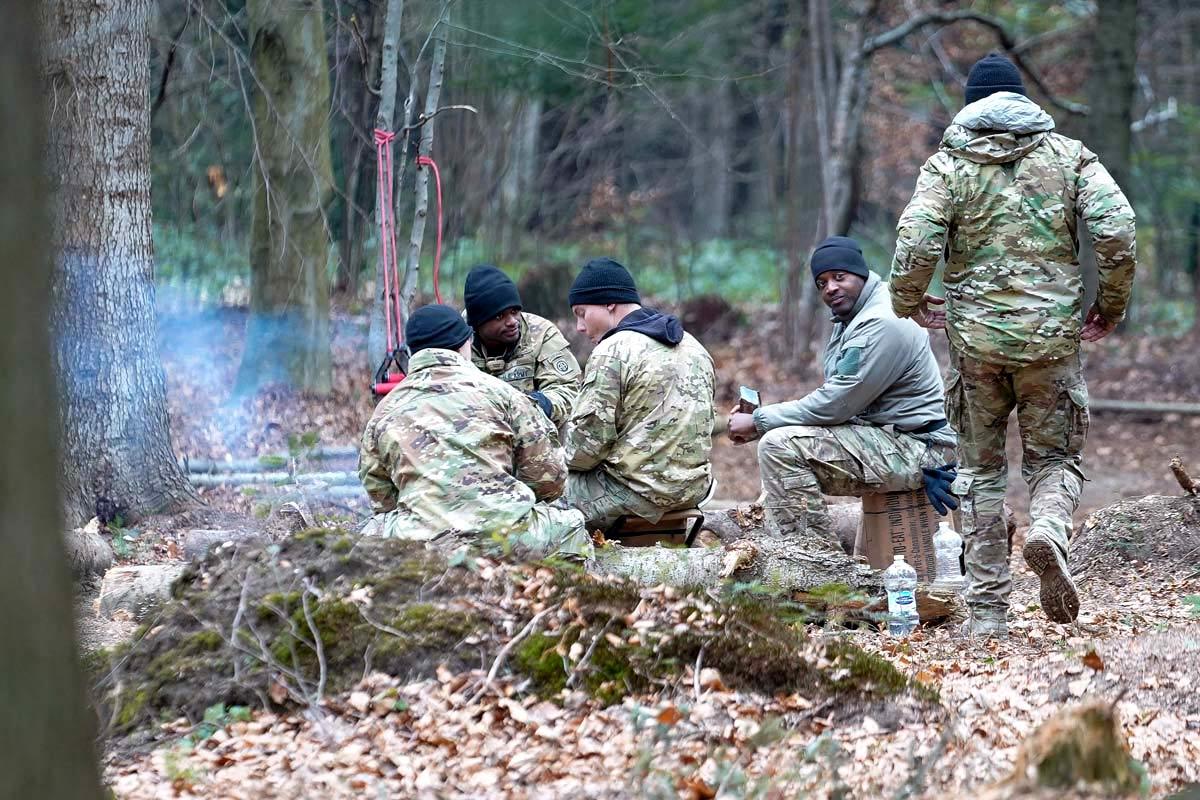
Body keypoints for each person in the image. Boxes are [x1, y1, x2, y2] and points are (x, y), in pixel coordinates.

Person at [890, 53, 1137, 635]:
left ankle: (988, 613)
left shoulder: (948, 166)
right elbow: (1118, 228)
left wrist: (908, 301)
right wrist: (1110, 305)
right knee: (1055, 459)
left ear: (972, 105)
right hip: (1051, 343)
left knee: (978, 470)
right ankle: (1049, 529)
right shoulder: (1070, 157)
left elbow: (917, 239)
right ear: (1023, 100)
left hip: (976, 346)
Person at [727, 236, 958, 551]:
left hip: (919, 449)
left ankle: (818, 566)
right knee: (786, 439)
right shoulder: (855, 316)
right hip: (893, 439)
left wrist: (760, 420)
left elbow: (835, 405)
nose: (830, 288)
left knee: (779, 448)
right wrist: (763, 419)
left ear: (860, 275)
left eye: (840, 277)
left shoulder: (881, 321)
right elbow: (839, 400)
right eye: (822, 283)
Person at [358, 304, 592, 560]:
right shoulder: (505, 395)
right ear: (464, 345)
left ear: (413, 352)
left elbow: (380, 496)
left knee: (369, 532)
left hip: (422, 545)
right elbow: (549, 480)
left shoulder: (386, 410)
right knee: (572, 526)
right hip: (506, 539)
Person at [563, 257, 716, 530]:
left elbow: (585, 450)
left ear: (609, 303)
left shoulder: (613, 351)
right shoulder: (694, 346)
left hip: (633, 496)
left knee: (539, 487)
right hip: (692, 491)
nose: (580, 327)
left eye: (581, 312)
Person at [463, 264, 582, 429]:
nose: (512, 322)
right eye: (499, 316)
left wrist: (537, 405)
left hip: (535, 431)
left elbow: (569, 389)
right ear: (478, 323)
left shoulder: (541, 334)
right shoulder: (458, 340)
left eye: (514, 311)